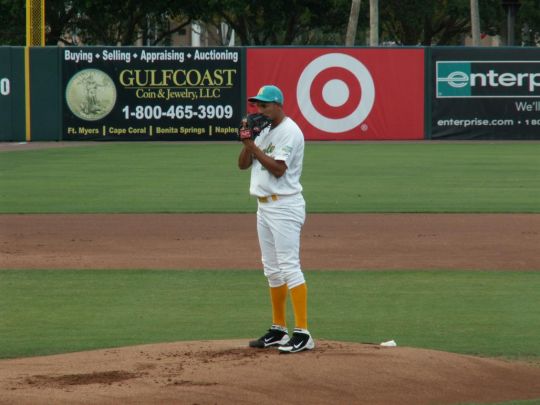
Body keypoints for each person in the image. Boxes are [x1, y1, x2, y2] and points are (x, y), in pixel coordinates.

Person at [238, 85, 314, 353]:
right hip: (265, 207)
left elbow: (279, 170)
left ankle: (303, 333)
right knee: (271, 269)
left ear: (278, 105)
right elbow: (242, 165)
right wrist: (249, 141)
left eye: (264, 106)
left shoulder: (290, 132)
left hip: (284, 206)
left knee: (289, 267)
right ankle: (279, 328)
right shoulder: (265, 130)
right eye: (257, 105)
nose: (259, 110)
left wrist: (252, 145)